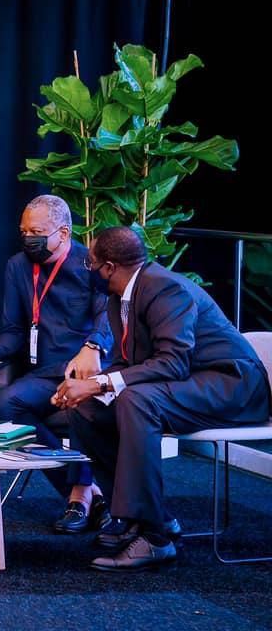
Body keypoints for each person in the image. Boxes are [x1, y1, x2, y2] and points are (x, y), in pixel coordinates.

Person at [54, 226, 271, 572]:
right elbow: (131, 362)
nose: (88, 269)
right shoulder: (120, 296)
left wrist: (100, 383)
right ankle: (144, 518)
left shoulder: (165, 288)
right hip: (189, 381)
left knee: (138, 400)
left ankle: (155, 539)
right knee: (87, 409)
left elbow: (172, 362)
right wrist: (90, 386)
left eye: (90, 263)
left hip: (232, 385)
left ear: (109, 267)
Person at [0, 195, 113, 532]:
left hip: (83, 368)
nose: (28, 239)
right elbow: (14, 329)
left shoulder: (90, 265)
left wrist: (93, 346)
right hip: (44, 371)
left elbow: (107, 318)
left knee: (82, 402)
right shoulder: (18, 266)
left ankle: (79, 497)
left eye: (37, 232)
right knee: (4, 403)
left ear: (63, 233)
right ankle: (86, 490)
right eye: (24, 232)